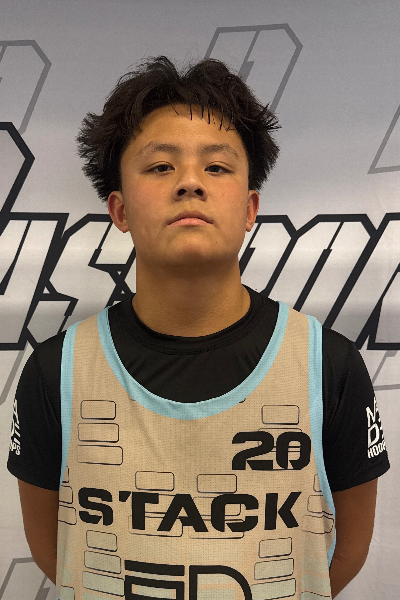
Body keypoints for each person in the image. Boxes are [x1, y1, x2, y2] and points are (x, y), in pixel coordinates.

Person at [7, 55, 389, 600]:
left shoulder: (330, 367)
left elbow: (343, 552)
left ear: (251, 207)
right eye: (161, 166)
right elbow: (58, 551)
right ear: (119, 209)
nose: (189, 182)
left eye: (216, 167)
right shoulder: (56, 372)